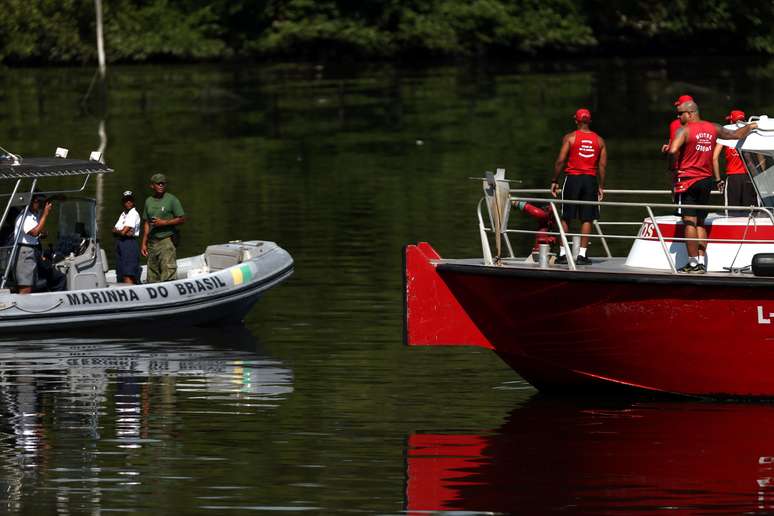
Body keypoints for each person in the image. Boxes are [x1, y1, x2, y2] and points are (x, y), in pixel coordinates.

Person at [668, 100, 758, 273]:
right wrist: (752, 126)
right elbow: (736, 135)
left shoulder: (684, 130)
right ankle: (701, 262)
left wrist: (672, 170)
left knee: (689, 222)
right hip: (706, 181)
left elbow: (672, 151)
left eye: (680, 113)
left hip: (688, 179)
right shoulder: (713, 128)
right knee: (700, 221)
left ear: (691, 112)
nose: (678, 117)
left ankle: (693, 263)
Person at [550, 108, 607, 265]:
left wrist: (554, 180)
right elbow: (602, 166)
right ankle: (582, 255)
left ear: (576, 120)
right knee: (587, 217)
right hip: (590, 180)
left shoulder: (570, 138)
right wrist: (601, 186)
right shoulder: (600, 141)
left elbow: (560, 160)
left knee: (566, 216)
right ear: (589, 121)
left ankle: (562, 254)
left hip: (572, 179)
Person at [141, 173, 185, 283]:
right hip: (152, 242)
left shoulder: (172, 200)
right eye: (158, 183)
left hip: (166, 240)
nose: (161, 185)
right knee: (152, 275)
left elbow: (182, 219)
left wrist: (164, 222)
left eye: (163, 183)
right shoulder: (148, 201)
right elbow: (146, 222)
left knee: (168, 273)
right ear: (152, 186)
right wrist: (144, 243)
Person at [713, 109, 758, 216]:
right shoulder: (751, 134)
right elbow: (760, 158)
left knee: (732, 213)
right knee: (751, 213)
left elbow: (714, 158)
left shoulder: (726, 135)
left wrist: (718, 180)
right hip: (749, 177)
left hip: (733, 178)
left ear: (731, 122)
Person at [13, 194, 52, 294]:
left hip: (33, 251)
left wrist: (41, 234)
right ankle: (23, 307)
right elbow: (34, 232)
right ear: (30, 202)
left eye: (40, 202)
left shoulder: (34, 215)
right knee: (26, 287)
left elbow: (35, 233)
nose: (40, 204)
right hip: (25, 252)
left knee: (39, 280)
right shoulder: (24, 217)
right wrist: (45, 214)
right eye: (37, 202)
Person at [112, 190, 142, 284]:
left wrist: (121, 231)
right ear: (123, 202)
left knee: (128, 273)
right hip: (121, 243)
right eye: (126, 200)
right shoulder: (124, 214)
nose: (128, 202)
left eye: (130, 200)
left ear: (133, 201)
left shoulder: (133, 213)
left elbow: (123, 232)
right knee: (120, 272)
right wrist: (121, 232)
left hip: (130, 243)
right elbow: (114, 230)